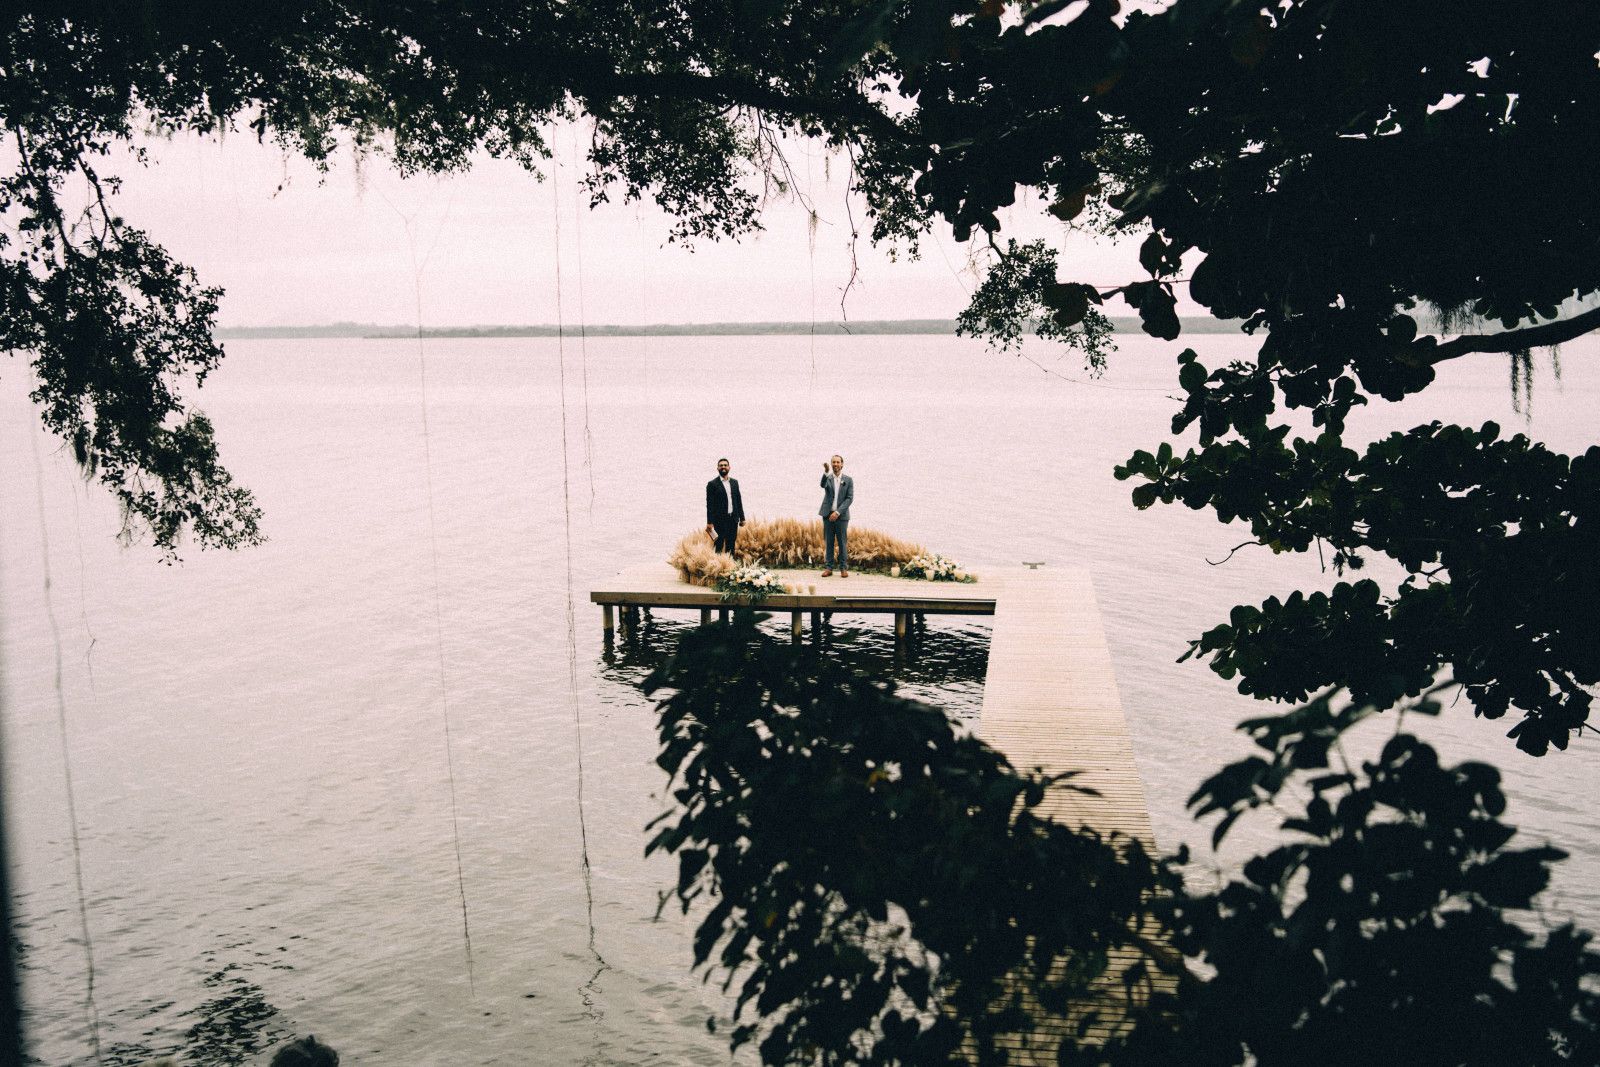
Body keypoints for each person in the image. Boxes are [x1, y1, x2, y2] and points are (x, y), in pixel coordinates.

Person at [818, 454, 853, 577]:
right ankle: (829, 568)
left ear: (842, 464)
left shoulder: (848, 480)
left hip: (841, 517)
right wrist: (826, 472)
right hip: (827, 515)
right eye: (833, 462)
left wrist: (838, 512)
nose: (836, 464)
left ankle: (843, 568)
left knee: (842, 542)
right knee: (829, 542)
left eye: (838, 462)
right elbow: (822, 485)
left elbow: (849, 499)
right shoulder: (828, 478)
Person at [704, 457, 745, 555]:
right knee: (718, 544)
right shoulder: (712, 484)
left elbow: (738, 501)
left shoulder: (735, 483)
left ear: (729, 467)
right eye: (721, 465)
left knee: (731, 544)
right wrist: (709, 522)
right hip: (719, 520)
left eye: (725, 465)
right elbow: (710, 505)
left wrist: (742, 518)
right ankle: (717, 567)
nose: (723, 467)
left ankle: (730, 566)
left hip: (733, 519)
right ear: (717, 468)